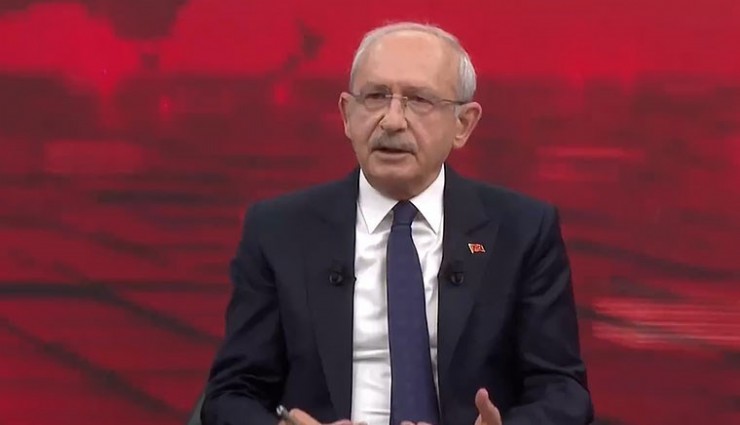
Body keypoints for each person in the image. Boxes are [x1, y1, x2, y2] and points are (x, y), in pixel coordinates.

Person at [201, 21, 594, 425]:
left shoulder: (523, 230)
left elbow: (562, 391)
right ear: (347, 115)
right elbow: (231, 395)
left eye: (418, 100)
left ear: (463, 124)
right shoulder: (278, 230)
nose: (392, 121)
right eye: (375, 97)